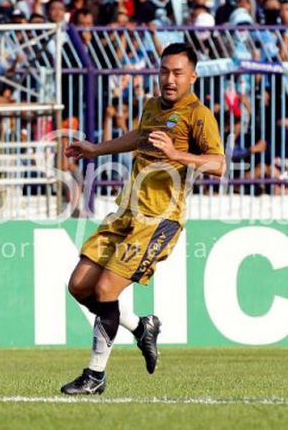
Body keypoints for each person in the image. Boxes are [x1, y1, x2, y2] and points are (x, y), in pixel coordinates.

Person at [61, 43, 225, 395]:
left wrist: (176, 153)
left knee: (105, 289)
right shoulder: (152, 106)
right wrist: (95, 149)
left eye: (177, 72)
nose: (169, 78)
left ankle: (95, 375)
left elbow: (218, 164)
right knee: (79, 286)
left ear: (192, 76)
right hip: (127, 212)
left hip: (159, 219)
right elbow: (138, 137)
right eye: (165, 71)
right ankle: (140, 326)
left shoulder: (199, 115)